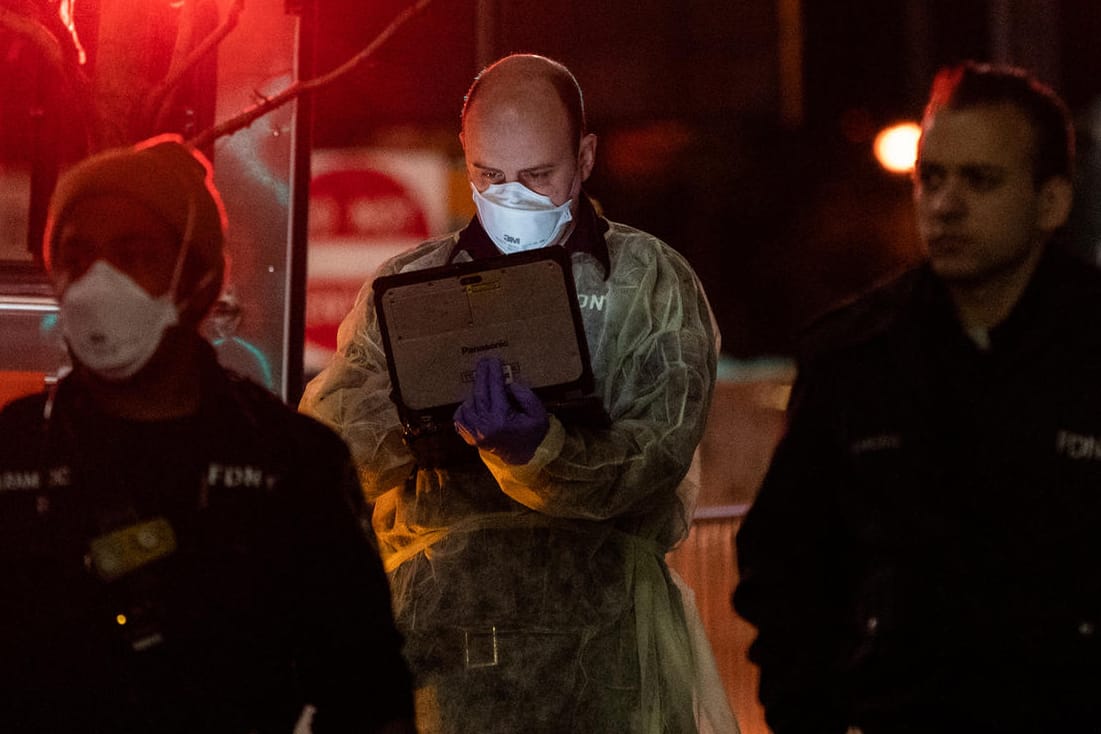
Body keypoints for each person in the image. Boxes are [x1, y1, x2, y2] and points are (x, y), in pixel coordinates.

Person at [300, 54, 736, 733]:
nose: (514, 198)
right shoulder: (408, 292)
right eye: (489, 176)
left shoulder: (646, 285)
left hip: (609, 667)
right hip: (440, 661)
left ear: (585, 156)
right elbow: (331, 451)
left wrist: (541, 450)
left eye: (537, 175)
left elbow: (654, 454)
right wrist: (424, 428)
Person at [0, 135, 416, 733]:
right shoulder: (14, 453)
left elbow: (368, 695)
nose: (98, 281)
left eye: (132, 253)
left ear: (198, 273)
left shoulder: (291, 463)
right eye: (76, 255)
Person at [732, 61, 1101, 733]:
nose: (944, 203)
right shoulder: (854, 358)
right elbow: (784, 569)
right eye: (929, 178)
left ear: (1052, 200)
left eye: (979, 179)